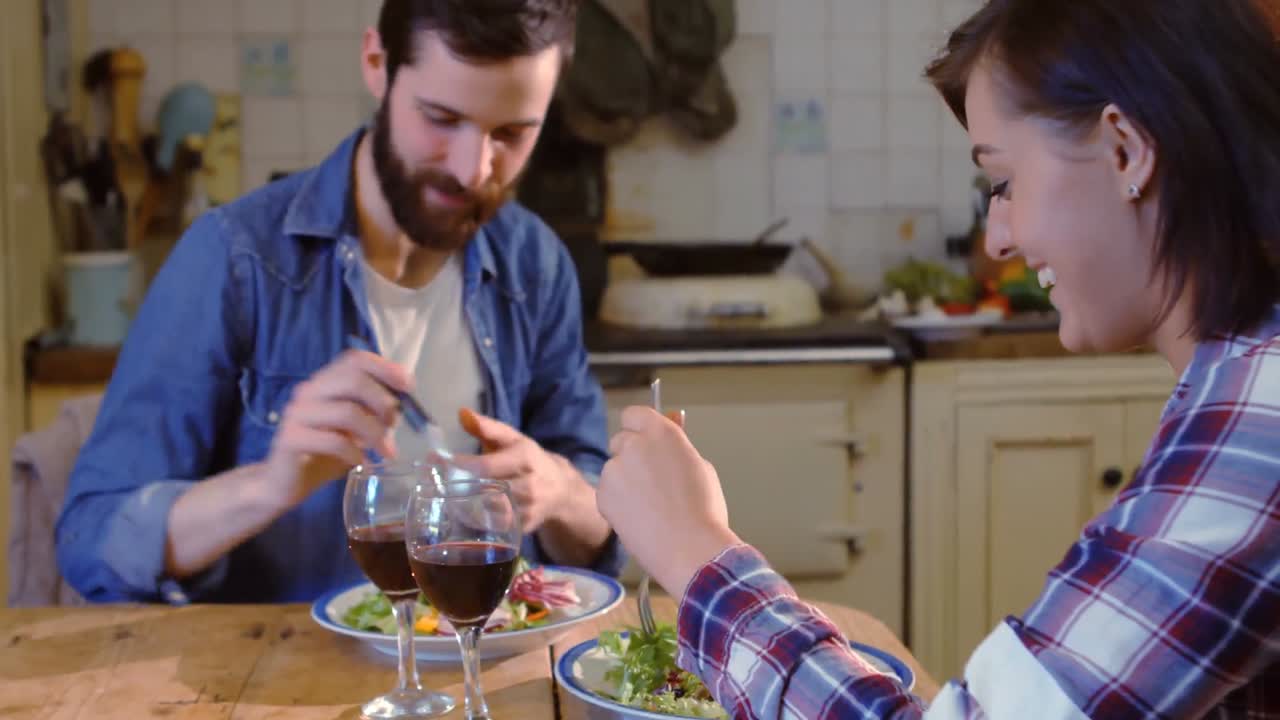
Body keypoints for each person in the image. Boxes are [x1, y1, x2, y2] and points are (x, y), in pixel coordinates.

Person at [598, 0, 1280, 716]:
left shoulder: (1258, 416)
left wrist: (697, 555)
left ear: (1125, 150)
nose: (998, 240)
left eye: (1005, 183)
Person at [55, 0, 623, 605]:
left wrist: (559, 491)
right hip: (282, 663)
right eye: (440, 118)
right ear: (377, 63)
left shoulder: (535, 264)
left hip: (487, 660)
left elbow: (599, 535)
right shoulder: (234, 259)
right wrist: (268, 486)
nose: (471, 170)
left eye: (511, 134)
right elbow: (92, 540)